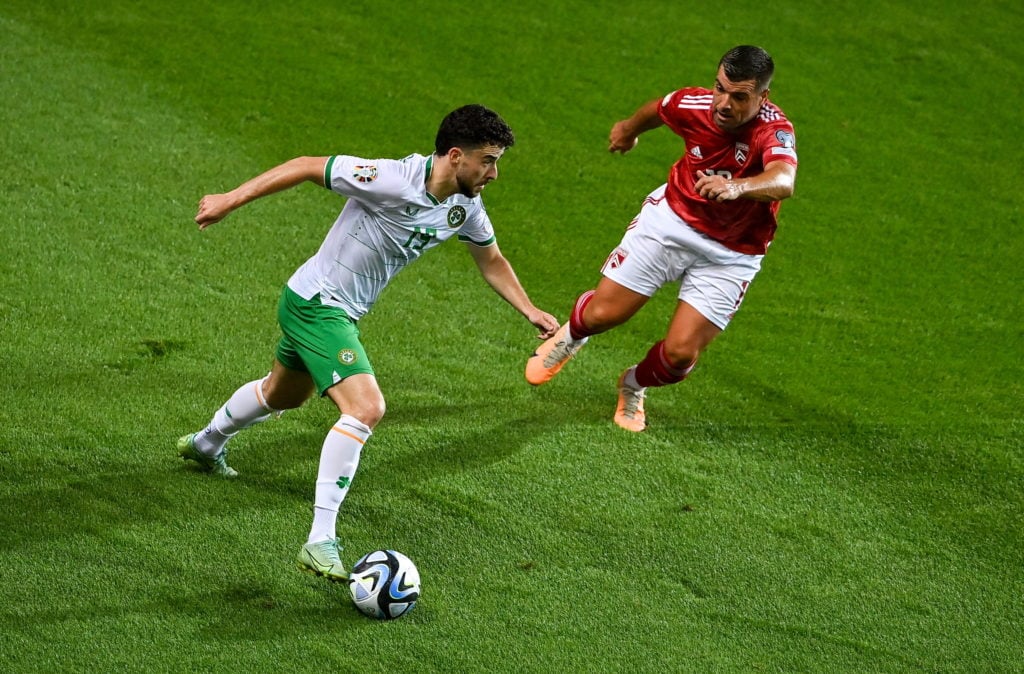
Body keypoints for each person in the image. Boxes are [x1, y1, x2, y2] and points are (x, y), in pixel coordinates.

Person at [179, 104, 559, 581]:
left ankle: (205, 443)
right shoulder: (390, 179)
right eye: (488, 160)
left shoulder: (464, 206)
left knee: (282, 394)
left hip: (332, 309)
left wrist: (530, 310)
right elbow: (303, 166)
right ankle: (320, 540)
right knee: (365, 408)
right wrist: (228, 200)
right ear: (456, 156)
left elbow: (492, 259)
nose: (494, 173)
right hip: (318, 304)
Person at [525, 46, 798, 432]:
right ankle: (572, 335)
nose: (724, 103)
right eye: (720, 88)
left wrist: (737, 188)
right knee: (604, 314)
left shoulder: (775, 130)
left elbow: (784, 180)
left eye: (739, 97)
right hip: (670, 223)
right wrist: (626, 130)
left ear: (762, 97)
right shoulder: (695, 104)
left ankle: (633, 384)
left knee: (680, 356)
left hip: (732, 252)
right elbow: (660, 108)